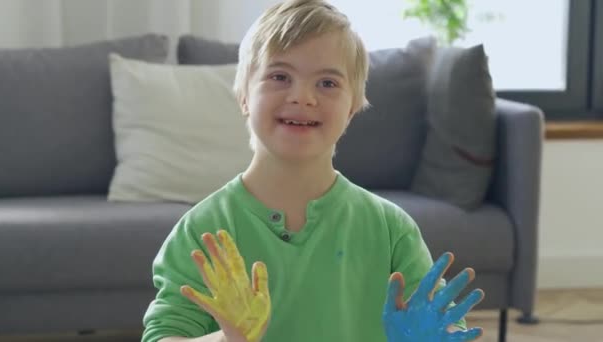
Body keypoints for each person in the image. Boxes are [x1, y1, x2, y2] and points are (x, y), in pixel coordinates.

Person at [141, 1, 484, 341]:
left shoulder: (390, 230)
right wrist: (227, 339)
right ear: (244, 95)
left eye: (327, 83)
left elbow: (441, 324)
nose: (303, 97)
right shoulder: (204, 231)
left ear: (352, 107)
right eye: (279, 76)